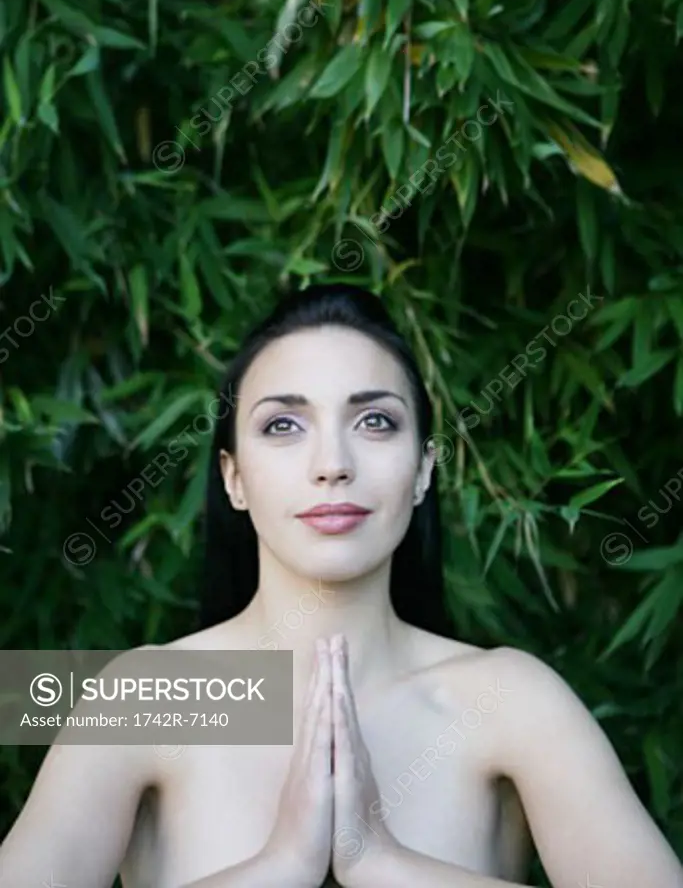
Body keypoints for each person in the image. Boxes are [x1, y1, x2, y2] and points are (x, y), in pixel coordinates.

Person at [1, 281, 681, 888]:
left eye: (375, 421)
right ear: (233, 478)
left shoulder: (509, 700)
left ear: (421, 471)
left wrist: (381, 861)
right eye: (284, 425)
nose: (332, 463)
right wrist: (281, 866)